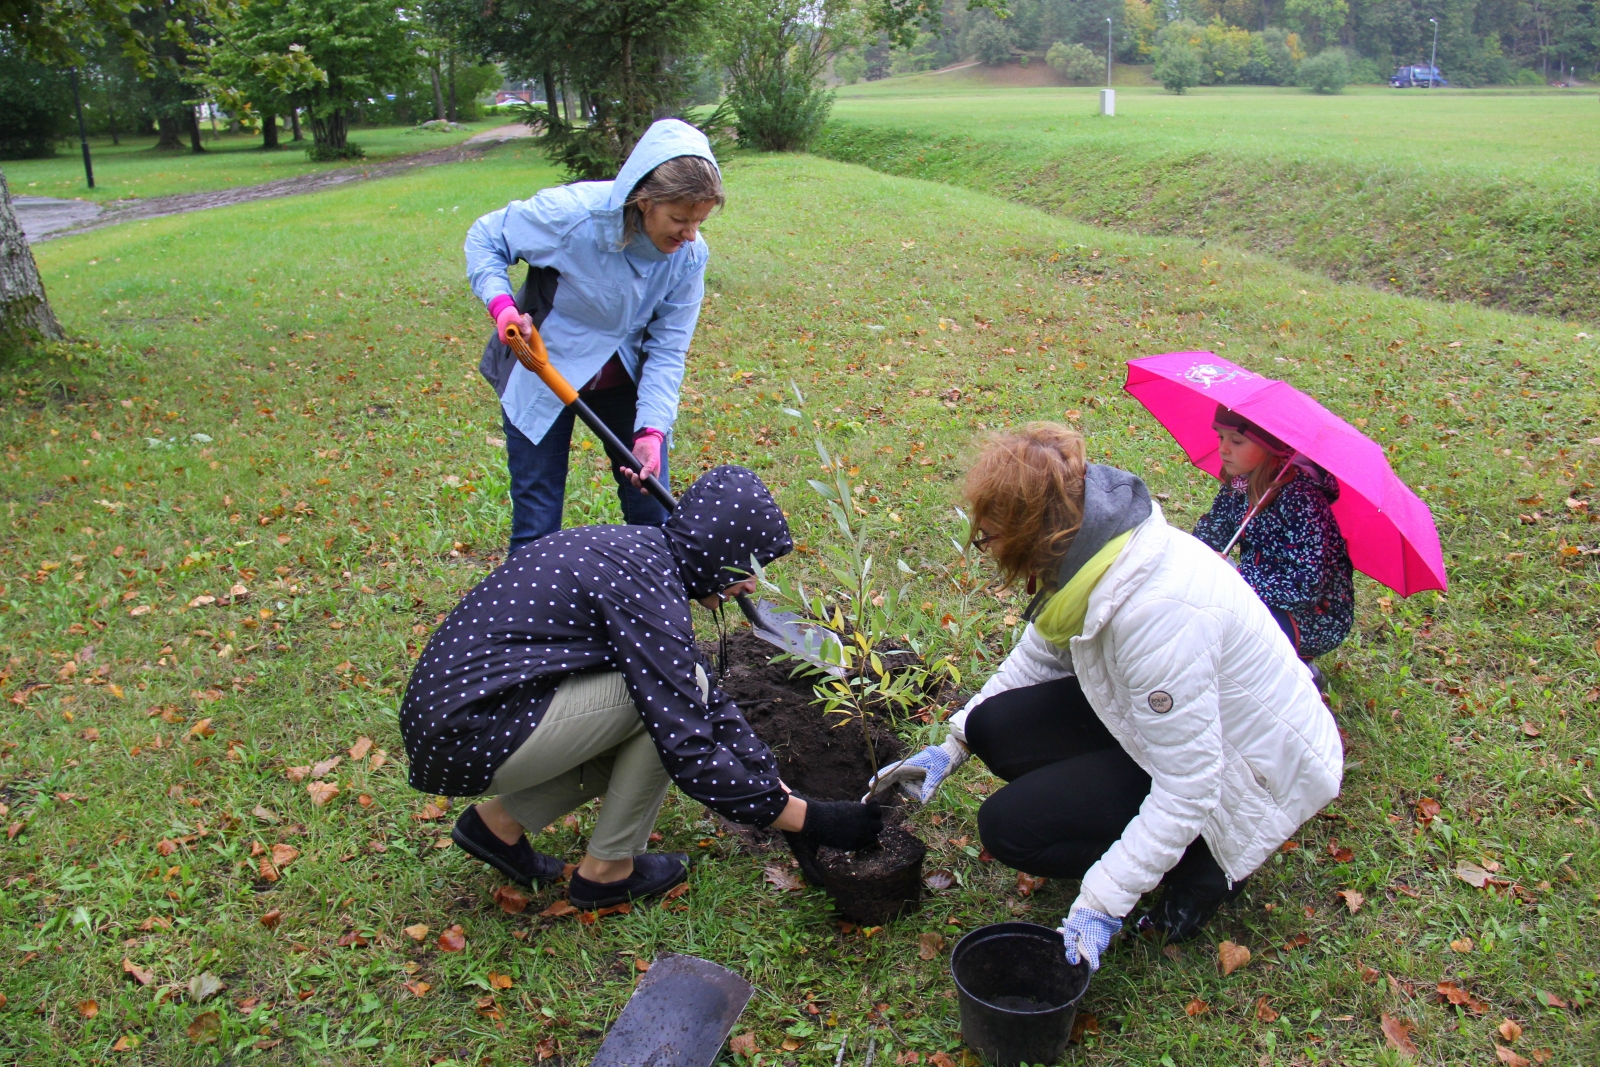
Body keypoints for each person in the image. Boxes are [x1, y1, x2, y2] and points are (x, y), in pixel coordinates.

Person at [868, 424, 1342, 972]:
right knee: (993, 726)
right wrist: (952, 745)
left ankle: (1198, 867)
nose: (987, 549)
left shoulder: (1155, 617)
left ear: (1033, 533)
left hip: (1249, 775)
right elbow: (1038, 658)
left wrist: (1101, 903)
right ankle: (1119, 820)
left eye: (991, 537)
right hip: (1179, 727)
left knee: (1009, 828)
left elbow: (1191, 786)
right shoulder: (1089, 550)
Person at [400, 465, 882, 909]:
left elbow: (703, 689)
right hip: (470, 734)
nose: (752, 586)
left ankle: (497, 826)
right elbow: (689, 748)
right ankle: (607, 873)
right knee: (659, 709)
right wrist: (810, 820)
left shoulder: (640, 557)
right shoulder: (648, 589)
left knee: (667, 696)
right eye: (748, 568)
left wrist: (767, 776)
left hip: (469, 718)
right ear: (719, 550)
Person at [465, 118, 722, 551]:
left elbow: (668, 348)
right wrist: (501, 304)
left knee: (653, 517)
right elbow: (486, 237)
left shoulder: (689, 256)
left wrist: (652, 432)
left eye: (699, 221)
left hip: (625, 381)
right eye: (679, 219)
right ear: (644, 201)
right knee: (537, 523)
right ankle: (525, 616)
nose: (690, 234)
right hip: (543, 371)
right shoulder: (573, 216)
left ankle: (653, 612)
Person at [1192, 405, 1354, 661]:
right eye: (1220, 437)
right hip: (1255, 595)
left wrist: (1237, 577)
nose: (1224, 448)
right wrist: (1197, 557)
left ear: (1271, 447)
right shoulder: (1238, 486)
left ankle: (1297, 675)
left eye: (1236, 441)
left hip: (1314, 615)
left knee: (1229, 636)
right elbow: (1211, 534)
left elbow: (1304, 587)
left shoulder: (1302, 501)